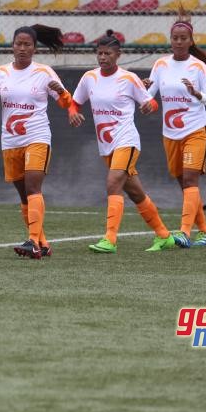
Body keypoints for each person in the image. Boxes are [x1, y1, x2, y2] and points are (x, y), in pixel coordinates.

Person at [69, 30, 177, 253]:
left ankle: (109, 239)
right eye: (99, 53)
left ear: (118, 54)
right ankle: (165, 236)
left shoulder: (128, 78)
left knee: (112, 183)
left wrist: (150, 106)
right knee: (136, 193)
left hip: (126, 141)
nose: (102, 57)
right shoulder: (89, 78)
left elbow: (151, 102)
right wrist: (72, 112)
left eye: (107, 53)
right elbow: (74, 102)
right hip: (105, 145)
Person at [0, 24, 74, 259]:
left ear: (34, 48)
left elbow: (65, 103)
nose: (22, 48)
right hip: (10, 141)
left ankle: (32, 241)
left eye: (27, 44)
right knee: (23, 196)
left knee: (33, 186)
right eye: (18, 44)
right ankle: (42, 243)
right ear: (12, 46)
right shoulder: (1, 73)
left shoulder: (44, 72)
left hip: (37, 137)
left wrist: (61, 92)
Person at [144, 9, 206, 248]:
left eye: (183, 38)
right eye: (174, 38)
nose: (178, 42)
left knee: (189, 180)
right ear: (170, 39)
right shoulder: (161, 65)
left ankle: (185, 233)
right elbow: (149, 96)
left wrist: (197, 94)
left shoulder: (198, 67)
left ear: (191, 41)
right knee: (184, 184)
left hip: (195, 130)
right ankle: (205, 231)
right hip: (170, 134)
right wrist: (144, 98)